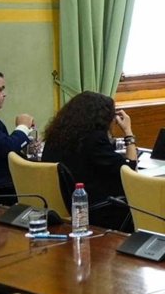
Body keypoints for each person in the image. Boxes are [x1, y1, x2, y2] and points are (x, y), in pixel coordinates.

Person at [39, 91, 136, 230]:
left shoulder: (55, 136)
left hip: (61, 207)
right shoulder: (95, 140)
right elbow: (130, 171)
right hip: (93, 211)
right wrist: (128, 132)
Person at [0, 68, 36, 194]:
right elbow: (6, 148)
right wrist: (23, 126)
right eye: (0, 89)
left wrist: (26, 144)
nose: (4, 94)